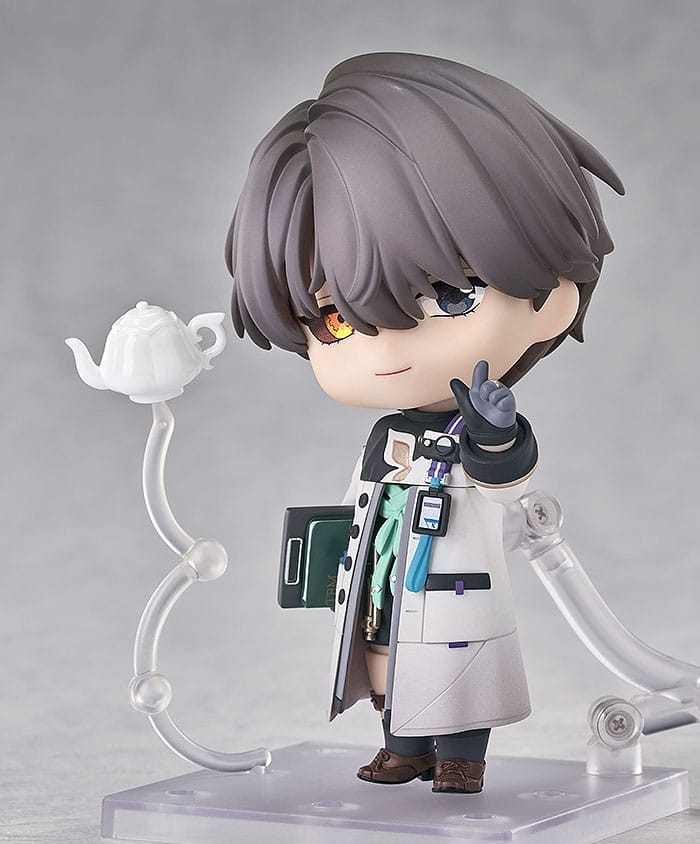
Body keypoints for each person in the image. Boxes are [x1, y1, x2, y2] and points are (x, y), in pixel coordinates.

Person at [226, 52, 623, 793]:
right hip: (382, 576)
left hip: (455, 582)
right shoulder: (385, 435)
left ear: (556, 294)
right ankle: (403, 747)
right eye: (336, 319)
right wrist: (335, 554)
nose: (384, 346)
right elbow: (362, 496)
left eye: (447, 296)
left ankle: (462, 757)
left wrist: (495, 436)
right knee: (387, 659)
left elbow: (507, 481)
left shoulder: (477, 426)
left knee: (458, 669)